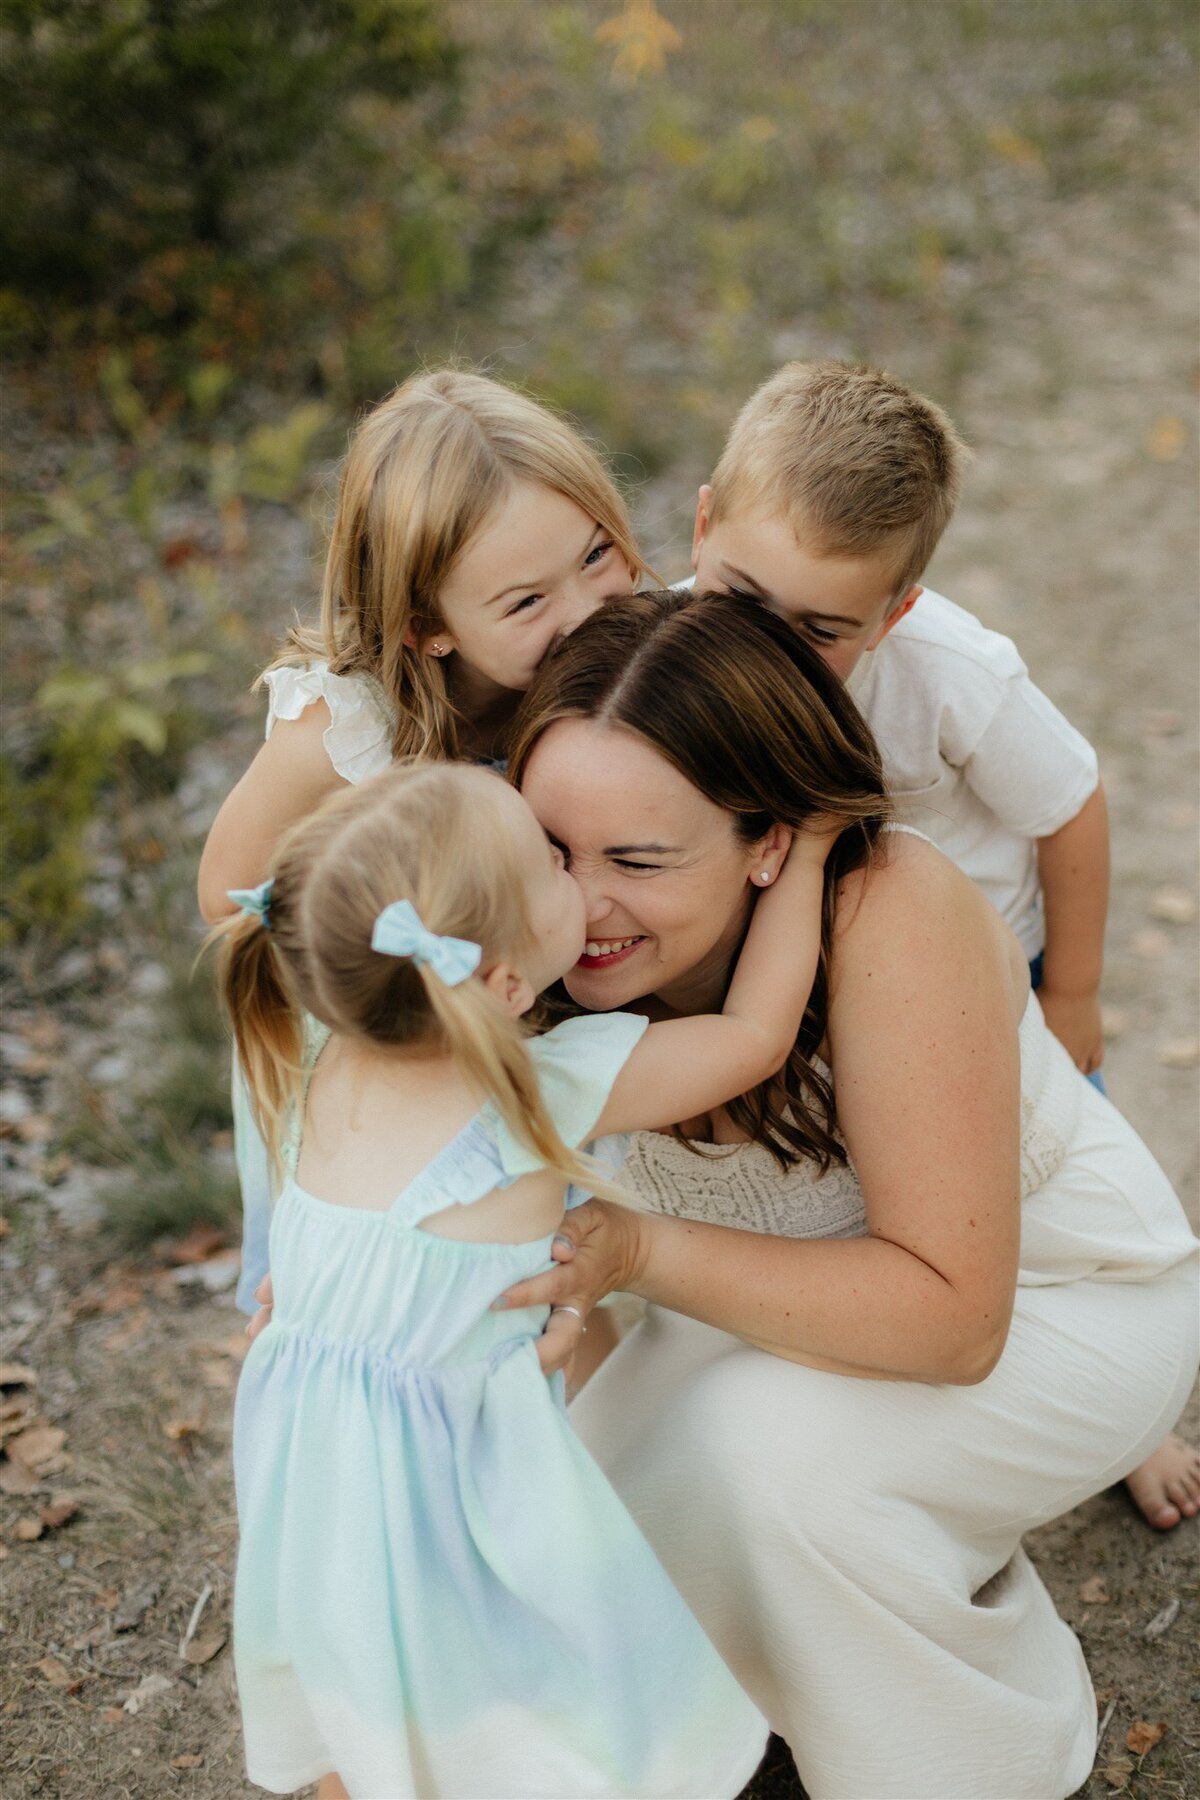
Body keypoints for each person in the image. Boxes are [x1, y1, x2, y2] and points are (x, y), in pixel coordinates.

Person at [495, 590, 1199, 1800]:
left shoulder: (888, 909)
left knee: (765, 1471)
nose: (583, 907)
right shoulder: (527, 932)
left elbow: (953, 1323)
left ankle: (975, 1746)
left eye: (639, 861)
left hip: (1051, 1303)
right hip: (769, 1321)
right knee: (574, 1521)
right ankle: (800, 1659)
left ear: (770, 841)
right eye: (554, 850)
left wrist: (638, 1256)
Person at [213, 755, 838, 1799]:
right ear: (506, 983)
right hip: (455, 1480)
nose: (573, 873)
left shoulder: (316, 1048)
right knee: (548, 1698)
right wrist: (808, 847)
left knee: (364, 1684)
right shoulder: (540, 1089)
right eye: (551, 862)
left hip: (310, 1461)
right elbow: (755, 1038)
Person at [687, 357, 1199, 1530]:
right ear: (703, 524)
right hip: (820, 979)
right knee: (885, 1189)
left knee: (1049, 1168)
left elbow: (1069, 805)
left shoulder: (950, 676)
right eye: (741, 597)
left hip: (992, 980)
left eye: (820, 630)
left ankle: (1129, 1399)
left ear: (895, 609)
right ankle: (872, 1338)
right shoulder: (673, 656)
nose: (769, 646)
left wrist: (1070, 989)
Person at [196, 367, 645, 1311]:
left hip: (536, 1001)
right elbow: (231, 893)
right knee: (421, 1280)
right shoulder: (347, 732)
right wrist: (396, 998)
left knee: (550, 1251)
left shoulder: (611, 653)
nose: (588, 606)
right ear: (425, 625)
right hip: (395, 1040)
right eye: (526, 602)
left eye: (599, 553)